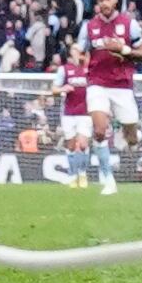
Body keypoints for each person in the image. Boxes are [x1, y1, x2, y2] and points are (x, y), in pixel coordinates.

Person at [83, 0, 142, 196]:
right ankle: (108, 179)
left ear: (115, 1)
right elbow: (80, 50)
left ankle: (132, 134)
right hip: (97, 83)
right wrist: (79, 61)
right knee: (100, 131)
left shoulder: (129, 24)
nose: (104, 3)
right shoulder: (89, 27)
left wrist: (124, 50)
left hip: (122, 85)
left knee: (131, 139)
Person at [55, 44, 94, 189]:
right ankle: (72, 175)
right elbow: (54, 88)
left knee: (83, 144)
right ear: (71, 53)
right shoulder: (64, 70)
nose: (78, 51)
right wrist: (62, 89)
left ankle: (82, 174)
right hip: (69, 113)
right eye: (75, 49)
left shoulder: (89, 69)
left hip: (85, 113)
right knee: (71, 146)